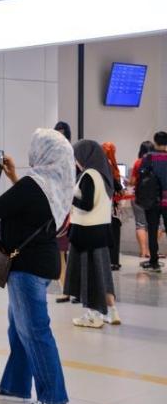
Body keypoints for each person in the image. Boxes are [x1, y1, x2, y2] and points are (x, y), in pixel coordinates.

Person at [0, 128, 73, 404]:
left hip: (27, 267)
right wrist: (13, 177)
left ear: (42, 152)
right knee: (19, 328)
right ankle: (15, 385)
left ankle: (53, 398)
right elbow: (28, 206)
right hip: (39, 264)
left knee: (34, 330)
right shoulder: (52, 186)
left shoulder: (35, 184)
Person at [65, 140, 121, 327]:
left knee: (89, 275)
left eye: (76, 157)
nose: (75, 161)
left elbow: (86, 204)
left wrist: (69, 197)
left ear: (85, 156)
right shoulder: (104, 175)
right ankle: (112, 312)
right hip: (100, 231)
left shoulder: (89, 175)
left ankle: (93, 315)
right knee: (102, 273)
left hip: (86, 233)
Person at [140, 132, 167, 272]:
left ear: (155, 142)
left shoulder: (148, 157)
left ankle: (154, 261)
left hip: (152, 200)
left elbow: (142, 175)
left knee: (152, 230)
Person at [53, 123, 73, 303]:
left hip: (64, 210)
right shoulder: (69, 155)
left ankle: (67, 289)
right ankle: (67, 288)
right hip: (66, 209)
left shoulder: (62, 156)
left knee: (61, 252)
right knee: (60, 252)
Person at [130, 140, 156, 258]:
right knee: (156, 224)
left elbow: (133, 182)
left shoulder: (138, 162)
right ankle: (151, 251)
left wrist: (128, 182)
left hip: (138, 196)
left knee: (140, 224)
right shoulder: (157, 162)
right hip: (154, 198)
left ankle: (143, 251)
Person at [102, 142, 124, 271]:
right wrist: (120, 188)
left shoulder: (102, 164)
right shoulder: (109, 164)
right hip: (113, 207)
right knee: (114, 233)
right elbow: (115, 183)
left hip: (106, 205)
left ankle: (111, 261)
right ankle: (113, 261)